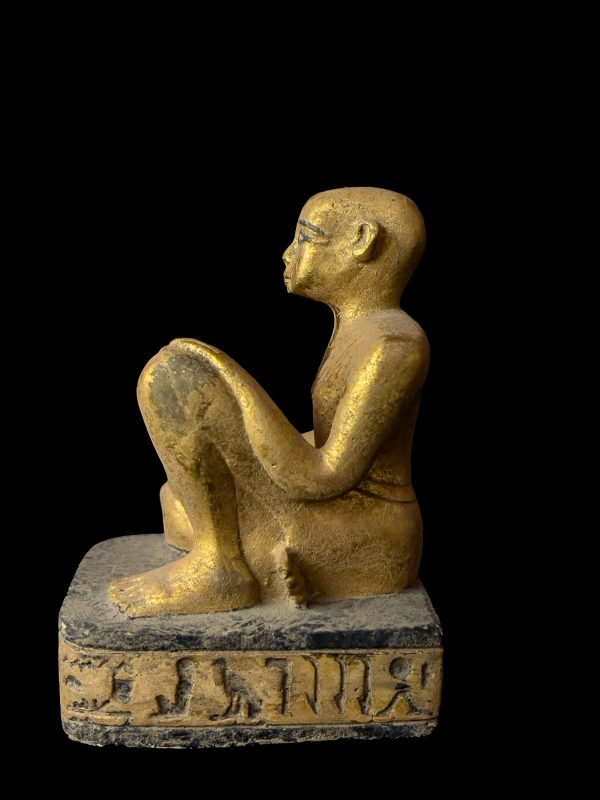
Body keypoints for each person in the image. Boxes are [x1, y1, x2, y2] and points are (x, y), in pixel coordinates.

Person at [109, 187, 429, 616]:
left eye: (307, 238)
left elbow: (324, 476)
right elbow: (325, 440)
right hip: (333, 507)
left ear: (362, 241)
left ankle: (221, 566)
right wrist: (236, 450)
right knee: (179, 499)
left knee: (173, 379)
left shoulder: (393, 345)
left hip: (368, 527)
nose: (288, 253)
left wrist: (230, 379)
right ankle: (263, 555)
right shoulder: (360, 330)